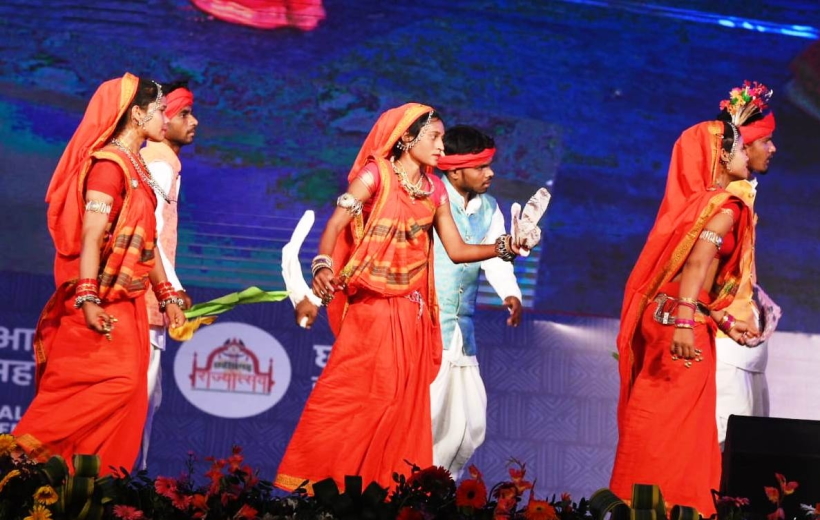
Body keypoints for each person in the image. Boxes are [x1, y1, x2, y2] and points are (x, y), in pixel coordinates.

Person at [275, 103, 532, 493]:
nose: (442, 147)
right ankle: (324, 489)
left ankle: (382, 495)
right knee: (358, 401)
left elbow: (458, 249)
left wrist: (505, 246)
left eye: (443, 139)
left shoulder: (434, 191)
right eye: (434, 137)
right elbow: (337, 222)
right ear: (407, 138)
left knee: (401, 408)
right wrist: (323, 264)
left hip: (412, 315)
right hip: (372, 311)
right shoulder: (375, 173)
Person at [13, 73, 187, 475]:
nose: (166, 116)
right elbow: (92, 236)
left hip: (128, 305)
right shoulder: (109, 167)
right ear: (138, 114)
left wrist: (168, 296)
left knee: (129, 397)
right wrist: (88, 298)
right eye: (160, 109)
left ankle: (84, 487)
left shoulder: (138, 169)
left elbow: (148, 240)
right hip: (101, 303)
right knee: (101, 391)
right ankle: (17, 464)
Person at [610, 119, 758, 516]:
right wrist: (685, 321)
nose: (748, 156)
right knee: (672, 425)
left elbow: (682, 279)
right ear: (723, 156)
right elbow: (695, 266)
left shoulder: (691, 205)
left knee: (659, 417)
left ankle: (641, 505)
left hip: (674, 317)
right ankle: (668, 508)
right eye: (742, 149)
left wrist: (723, 321)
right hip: (681, 324)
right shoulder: (724, 206)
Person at [430, 125, 522, 477]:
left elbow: (496, 256)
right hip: (426, 327)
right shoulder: (431, 199)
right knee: (428, 416)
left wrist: (510, 293)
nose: (490, 173)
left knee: (469, 422)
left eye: (489, 165)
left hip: (461, 330)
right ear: (455, 170)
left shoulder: (489, 208)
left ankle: (437, 492)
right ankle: (407, 494)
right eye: (481, 166)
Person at [137, 80, 198, 470]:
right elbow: (150, 232)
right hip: (145, 299)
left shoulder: (166, 161)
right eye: (183, 114)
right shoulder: (158, 161)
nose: (194, 122)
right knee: (140, 396)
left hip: (153, 298)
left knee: (149, 398)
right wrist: (171, 290)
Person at [714, 82, 777, 449]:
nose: (773, 148)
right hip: (727, 350)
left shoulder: (744, 196)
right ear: (741, 147)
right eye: (764, 140)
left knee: (755, 464)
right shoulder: (724, 202)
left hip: (750, 350)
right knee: (729, 462)